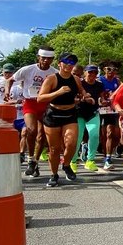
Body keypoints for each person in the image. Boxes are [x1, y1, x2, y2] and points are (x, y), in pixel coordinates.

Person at [37, 52, 89, 187]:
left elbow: (82, 92)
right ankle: (53, 175)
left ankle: (66, 165)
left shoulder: (76, 79)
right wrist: (58, 92)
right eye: (66, 62)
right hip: (53, 114)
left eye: (72, 63)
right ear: (59, 63)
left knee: (71, 142)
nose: (69, 65)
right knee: (54, 148)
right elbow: (40, 98)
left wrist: (86, 96)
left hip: (70, 113)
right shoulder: (51, 79)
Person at [10, 46, 56, 178]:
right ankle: (30, 158)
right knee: (31, 130)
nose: (46, 61)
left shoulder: (54, 73)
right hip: (30, 102)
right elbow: (11, 80)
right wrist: (8, 92)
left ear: (53, 59)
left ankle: (34, 162)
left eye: (49, 59)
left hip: (46, 104)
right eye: (43, 58)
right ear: (39, 58)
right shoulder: (28, 69)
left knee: (42, 136)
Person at [75, 64, 106, 173]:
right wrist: (83, 98)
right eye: (90, 72)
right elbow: (74, 97)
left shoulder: (99, 85)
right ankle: (73, 161)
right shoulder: (79, 83)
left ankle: (90, 160)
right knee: (77, 138)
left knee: (94, 135)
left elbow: (101, 98)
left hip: (93, 113)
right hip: (79, 114)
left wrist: (103, 101)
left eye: (94, 72)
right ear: (85, 73)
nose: (92, 74)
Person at [98, 63, 122, 170]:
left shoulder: (117, 81)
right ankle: (106, 156)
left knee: (114, 134)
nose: (111, 71)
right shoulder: (100, 80)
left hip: (112, 110)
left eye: (114, 69)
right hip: (100, 109)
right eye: (109, 69)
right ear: (104, 69)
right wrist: (102, 100)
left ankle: (108, 154)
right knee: (105, 134)